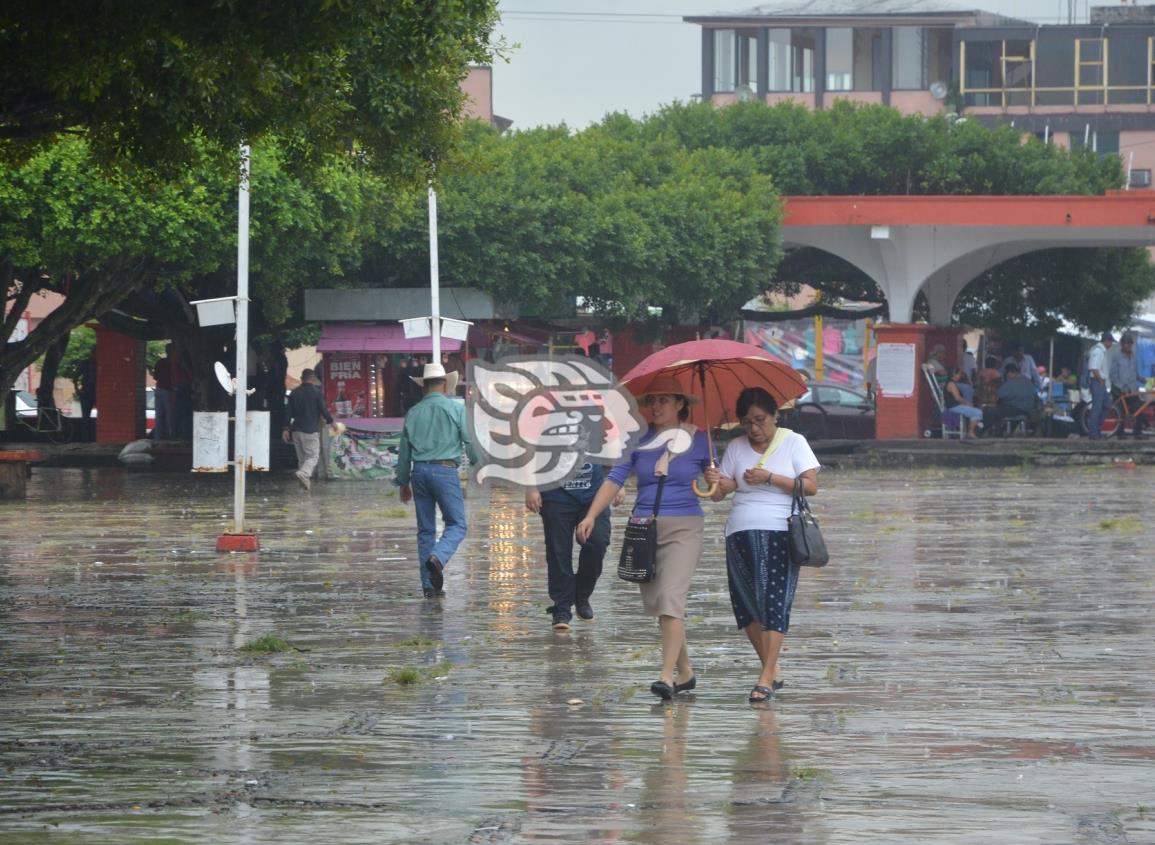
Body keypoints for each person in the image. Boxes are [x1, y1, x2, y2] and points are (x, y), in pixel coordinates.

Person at [576, 375, 714, 701]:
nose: (656, 406)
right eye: (652, 400)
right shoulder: (637, 440)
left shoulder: (701, 440)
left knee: (670, 598)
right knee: (660, 606)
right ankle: (687, 672)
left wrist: (715, 481)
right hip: (644, 529)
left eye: (664, 400)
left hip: (685, 526)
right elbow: (615, 478)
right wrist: (592, 515)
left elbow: (717, 492)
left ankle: (666, 677)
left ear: (681, 404)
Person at [712, 387, 819, 704]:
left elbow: (810, 487)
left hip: (779, 531)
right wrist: (715, 481)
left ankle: (766, 676)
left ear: (775, 416)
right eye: (747, 423)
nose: (754, 429)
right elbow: (723, 492)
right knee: (746, 607)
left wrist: (770, 478)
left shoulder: (793, 442)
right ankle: (771, 669)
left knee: (773, 603)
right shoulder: (735, 446)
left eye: (760, 420)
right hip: (739, 531)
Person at [396, 362, 477, 599]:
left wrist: (403, 483)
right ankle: (438, 558)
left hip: (418, 473)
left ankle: (429, 586)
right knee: (458, 524)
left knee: (426, 531)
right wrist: (477, 463)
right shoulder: (455, 409)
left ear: (424, 387)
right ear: (444, 385)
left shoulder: (413, 412)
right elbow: (469, 441)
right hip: (445, 471)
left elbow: (404, 452)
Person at [525, 461, 623, 630]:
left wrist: (618, 483)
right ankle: (562, 607)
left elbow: (614, 448)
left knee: (598, 543)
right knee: (558, 550)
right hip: (555, 495)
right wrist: (530, 486)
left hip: (595, 495)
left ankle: (582, 595)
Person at [283, 368, 333, 491]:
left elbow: (288, 413)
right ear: (312, 379)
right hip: (310, 430)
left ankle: (304, 486)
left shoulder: (294, 393)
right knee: (312, 456)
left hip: (296, 431)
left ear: (302, 379)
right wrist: (331, 421)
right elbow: (323, 409)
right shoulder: (316, 392)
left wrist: (285, 429)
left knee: (302, 459)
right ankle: (304, 474)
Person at [985, 363, 1039, 433]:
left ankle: (984, 431)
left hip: (1015, 408)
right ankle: (1002, 430)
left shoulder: (1010, 383)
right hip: (1028, 409)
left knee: (991, 411)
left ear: (1009, 373)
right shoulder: (1028, 381)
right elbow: (1035, 396)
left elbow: (1000, 394)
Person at [1086, 331, 1115, 440]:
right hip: (1097, 381)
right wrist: (1099, 379)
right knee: (1097, 407)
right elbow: (1094, 368)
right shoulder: (1098, 351)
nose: (1111, 345)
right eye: (1111, 342)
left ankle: (1097, 429)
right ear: (1107, 341)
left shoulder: (1101, 351)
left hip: (1100, 381)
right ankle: (1093, 432)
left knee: (1106, 405)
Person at [944, 367, 984, 438]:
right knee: (978, 412)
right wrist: (968, 403)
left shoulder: (952, 383)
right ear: (954, 375)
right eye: (959, 374)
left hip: (955, 406)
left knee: (976, 411)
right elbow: (958, 398)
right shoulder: (951, 384)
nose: (960, 376)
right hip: (954, 408)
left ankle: (971, 430)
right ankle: (970, 432)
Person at [152, 345, 173, 440]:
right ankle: (170, 436)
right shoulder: (173, 363)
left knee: (159, 415)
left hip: (158, 389)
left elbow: (155, 376)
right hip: (168, 390)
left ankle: (158, 437)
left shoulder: (160, 362)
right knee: (170, 415)